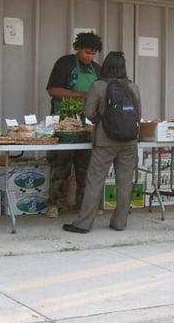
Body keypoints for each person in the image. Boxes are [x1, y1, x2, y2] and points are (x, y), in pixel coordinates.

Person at [63, 51, 141, 233]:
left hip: (105, 141)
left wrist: (103, 121)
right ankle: (120, 223)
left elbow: (89, 113)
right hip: (129, 141)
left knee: (95, 181)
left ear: (105, 66)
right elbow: (138, 114)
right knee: (125, 182)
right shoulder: (133, 87)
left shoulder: (98, 86)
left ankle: (83, 224)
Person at [46, 32, 103, 218]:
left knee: (85, 166)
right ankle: (55, 203)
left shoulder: (97, 69)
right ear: (78, 48)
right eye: (87, 52)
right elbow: (52, 90)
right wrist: (80, 95)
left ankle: (84, 204)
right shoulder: (65, 64)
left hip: (87, 124)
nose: (90, 57)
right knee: (60, 164)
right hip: (64, 122)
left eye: (93, 53)